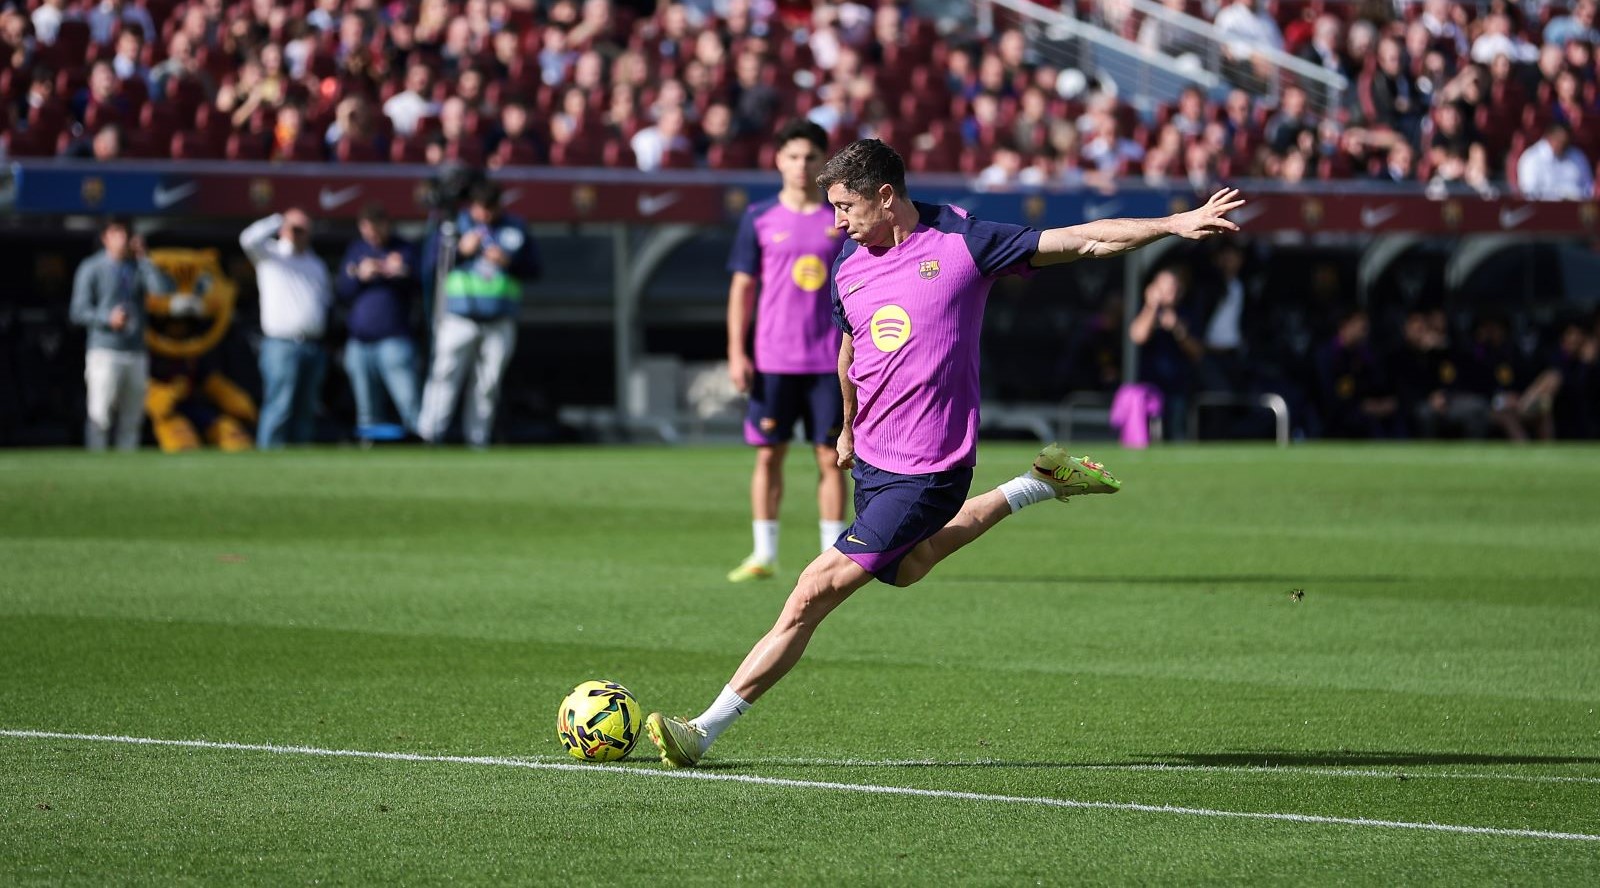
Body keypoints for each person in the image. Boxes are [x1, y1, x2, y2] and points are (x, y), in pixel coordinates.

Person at [644, 139, 1245, 767]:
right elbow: (849, 350)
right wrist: (847, 428)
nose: (837, 222)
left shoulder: (964, 241)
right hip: (873, 461)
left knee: (811, 591)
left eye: (846, 207)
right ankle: (1038, 482)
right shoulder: (849, 261)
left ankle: (701, 731)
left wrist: (1173, 224)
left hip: (929, 471)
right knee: (910, 566)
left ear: (885, 196)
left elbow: (1084, 240)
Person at [724, 120, 850, 583]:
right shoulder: (759, 217)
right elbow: (742, 288)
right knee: (768, 455)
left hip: (829, 360)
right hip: (773, 359)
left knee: (832, 457)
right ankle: (764, 554)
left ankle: (832, 557)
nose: (801, 165)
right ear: (778, 160)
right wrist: (736, 352)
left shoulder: (841, 219)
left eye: (810, 157)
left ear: (823, 163)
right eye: (793, 156)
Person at [417, 181, 540, 448]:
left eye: (490, 208)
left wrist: (509, 262)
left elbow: (534, 269)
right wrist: (460, 252)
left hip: (499, 317)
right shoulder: (454, 225)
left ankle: (478, 438)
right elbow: (429, 267)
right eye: (480, 208)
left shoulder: (515, 227)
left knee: (488, 383)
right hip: (458, 317)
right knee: (445, 375)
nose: (484, 214)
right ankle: (429, 435)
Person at [241, 207, 333, 448]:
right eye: (296, 229)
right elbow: (247, 239)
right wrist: (279, 220)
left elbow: (325, 300)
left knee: (306, 409)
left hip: (313, 345)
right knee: (279, 405)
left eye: (305, 229)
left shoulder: (315, 263)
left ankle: (301, 460)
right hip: (281, 344)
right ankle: (267, 459)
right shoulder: (271, 255)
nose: (300, 234)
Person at [69, 216, 164, 451]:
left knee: (133, 418)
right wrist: (107, 318)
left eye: (126, 233)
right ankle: (96, 464)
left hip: (136, 351)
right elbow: (78, 311)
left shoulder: (137, 267)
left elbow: (161, 291)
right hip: (105, 350)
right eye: (116, 233)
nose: (122, 238)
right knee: (100, 416)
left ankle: (127, 466)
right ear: (105, 238)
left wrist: (144, 258)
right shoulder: (91, 267)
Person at [336, 204, 422, 437]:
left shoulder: (404, 248)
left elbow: (420, 286)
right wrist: (360, 275)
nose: (372, 236)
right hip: (359, 341)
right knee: (366, 409)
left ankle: (419, 442)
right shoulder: (356, 249)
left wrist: (400, 271)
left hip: (394, 340)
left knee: (408, 401)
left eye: (376, 230)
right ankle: (370, 446)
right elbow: (342, 291)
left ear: (386, 225)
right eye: (367, 231)